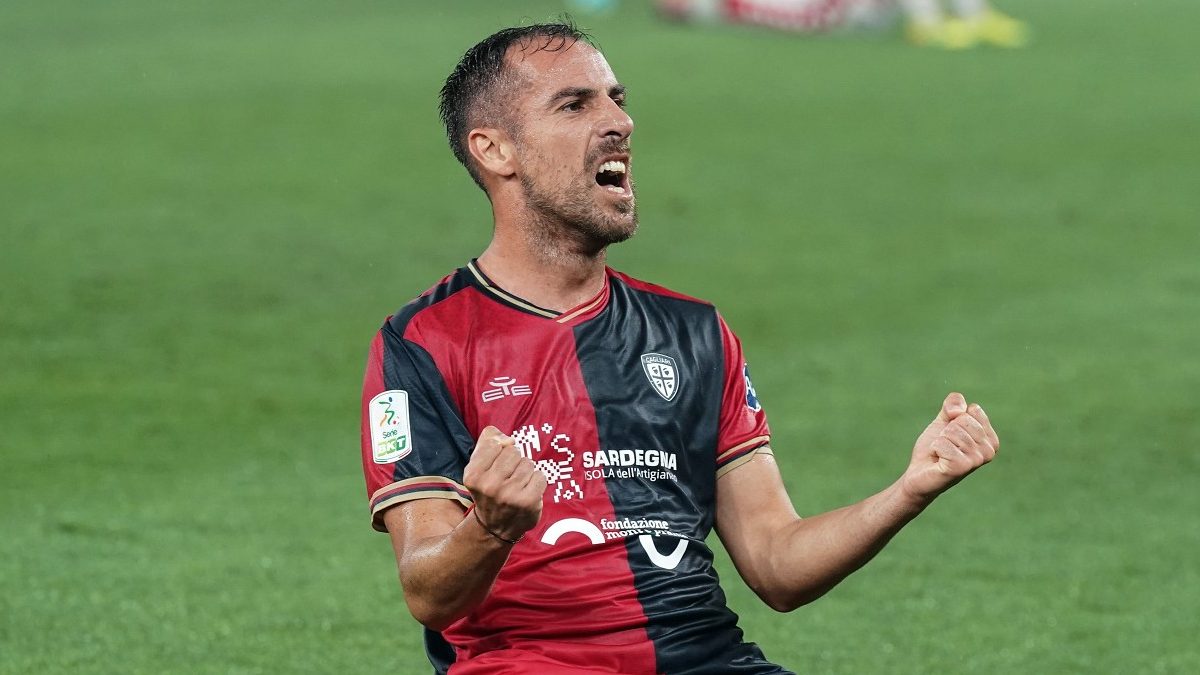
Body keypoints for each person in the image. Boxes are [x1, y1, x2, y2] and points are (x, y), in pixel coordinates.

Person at [359, 22, 999, 674]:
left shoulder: (694, 333)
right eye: (576, 104)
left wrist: (909, 488)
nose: (620, 122)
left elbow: (777, 562)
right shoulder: (421, 345)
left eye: (617, 97)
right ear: (496, 150)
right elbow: (428, 590)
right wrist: (492, 524)